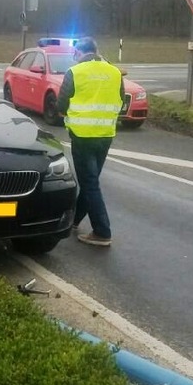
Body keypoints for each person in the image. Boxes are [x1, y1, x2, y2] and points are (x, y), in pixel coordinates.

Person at [56, 36, 124, 247]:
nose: (73, 57)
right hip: (105, 135)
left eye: (74, 53)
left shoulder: (75, 72)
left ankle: (102, 231)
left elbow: (61, 105)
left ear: (79, 53)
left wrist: (71, 114)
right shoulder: (114, 72)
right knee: (90, 182)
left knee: (90, 183)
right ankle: (74, 220)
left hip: (83, 135)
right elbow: (121, 100)